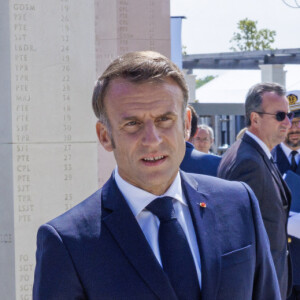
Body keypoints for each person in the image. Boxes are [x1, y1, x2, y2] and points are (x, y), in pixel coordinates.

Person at [33, 52, 281, 300]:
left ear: (186, 124)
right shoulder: (68, 243)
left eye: (164, 119)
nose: (152, 140)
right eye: (132, 124)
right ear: (105, 135)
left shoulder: (238, 204)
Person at [218, 82, 293, 299]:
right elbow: (237, 241)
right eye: (280, 115)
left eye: (288, 115)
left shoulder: (255, 155)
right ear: (255, 119)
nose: (287, 123)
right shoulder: (247, 163)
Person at [271, 90, 300, 300]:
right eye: (290, 120)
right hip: (277, 271)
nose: (295, 128)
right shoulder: (264, 157)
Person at [180, 107, 221, 176]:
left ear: (212, 141)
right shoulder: (219, 164)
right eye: (198, 139)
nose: (201, 143)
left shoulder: (162, 164)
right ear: (196, 132)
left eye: (205, 139)